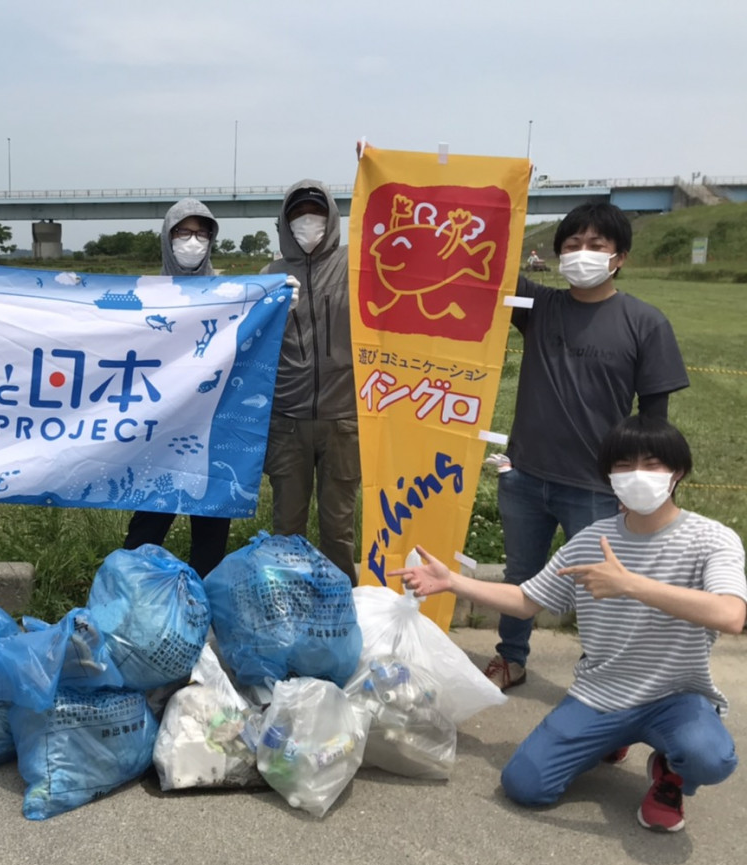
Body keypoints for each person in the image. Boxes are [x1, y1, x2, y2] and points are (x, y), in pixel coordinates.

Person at [391, 417, 744, 832]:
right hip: (602, 691)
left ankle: (671, 771)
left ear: (677, 472)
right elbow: (525, 601)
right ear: (609, 476)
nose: (637, 476)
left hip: (677, 696)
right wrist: (451, 582)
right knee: (524, 785)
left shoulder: (712, 539)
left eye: (652, 465)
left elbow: (731, 615)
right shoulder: (591, 540)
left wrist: (629, 585)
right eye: (624, 466)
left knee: (711, 757)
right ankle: (612, 737)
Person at [487, 201, 689, 690]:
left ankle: (601, 674)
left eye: (596, 246)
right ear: (556, 255)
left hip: (599, 487)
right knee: (521, 575)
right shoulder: (538, 308)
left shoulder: (645, 323)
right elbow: (485, 255)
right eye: (572, 245)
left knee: (604, 588)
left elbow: (654, 421)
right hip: (525, 475)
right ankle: (510, 657)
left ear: (619, 257)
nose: (583, 254)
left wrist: (648, 488)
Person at [122, 199, 242, 578]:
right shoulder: (147, 294)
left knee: (210, 532)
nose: (193, 241)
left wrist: (278, 306)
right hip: (161, 427)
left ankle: (200, 614)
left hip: (213, 430)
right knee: (147, 526)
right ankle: (133, 604)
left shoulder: (232, 292)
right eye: (183, 233)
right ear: (167, 237)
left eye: (201, 233)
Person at [260, 180, 359, 585]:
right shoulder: (269, 274)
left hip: (343, 418)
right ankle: (287, 605)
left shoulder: (355, 266)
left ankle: (342, 609)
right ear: (285, 222)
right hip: (287, 421)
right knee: (286, 525)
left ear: (332, 217)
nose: (307, 221)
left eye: (315, 212)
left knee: (338, 527)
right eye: (298, 214)